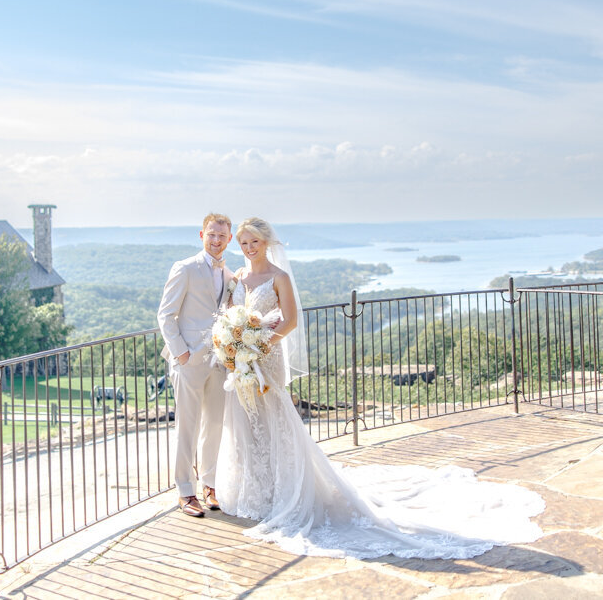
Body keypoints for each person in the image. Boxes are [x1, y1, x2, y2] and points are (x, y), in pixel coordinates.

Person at [213, 217, 544, 558]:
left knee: (276, 422)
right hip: (241, 363)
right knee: (246, 424)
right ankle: (253, 493)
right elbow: (229, 316)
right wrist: (233, 344)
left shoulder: (278, 277)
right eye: (244, 243)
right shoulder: (238, 276)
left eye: (254, 242)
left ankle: (288, 493)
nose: (249, 248)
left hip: (266, 359)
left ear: (266, 242)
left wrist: (262, 344)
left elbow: (292, 320)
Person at [157, 213, 235, 517]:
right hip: (189, 361)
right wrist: (181, 355)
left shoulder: (229, 276)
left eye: (221, 236)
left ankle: (210, 485)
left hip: (219, 362)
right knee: (187, 427)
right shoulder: (185, 268)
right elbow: (166, 315)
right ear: (201, 235)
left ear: (229, 239)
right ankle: (185, 491)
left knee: (214, 424)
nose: (216, 241)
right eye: (211, 234)